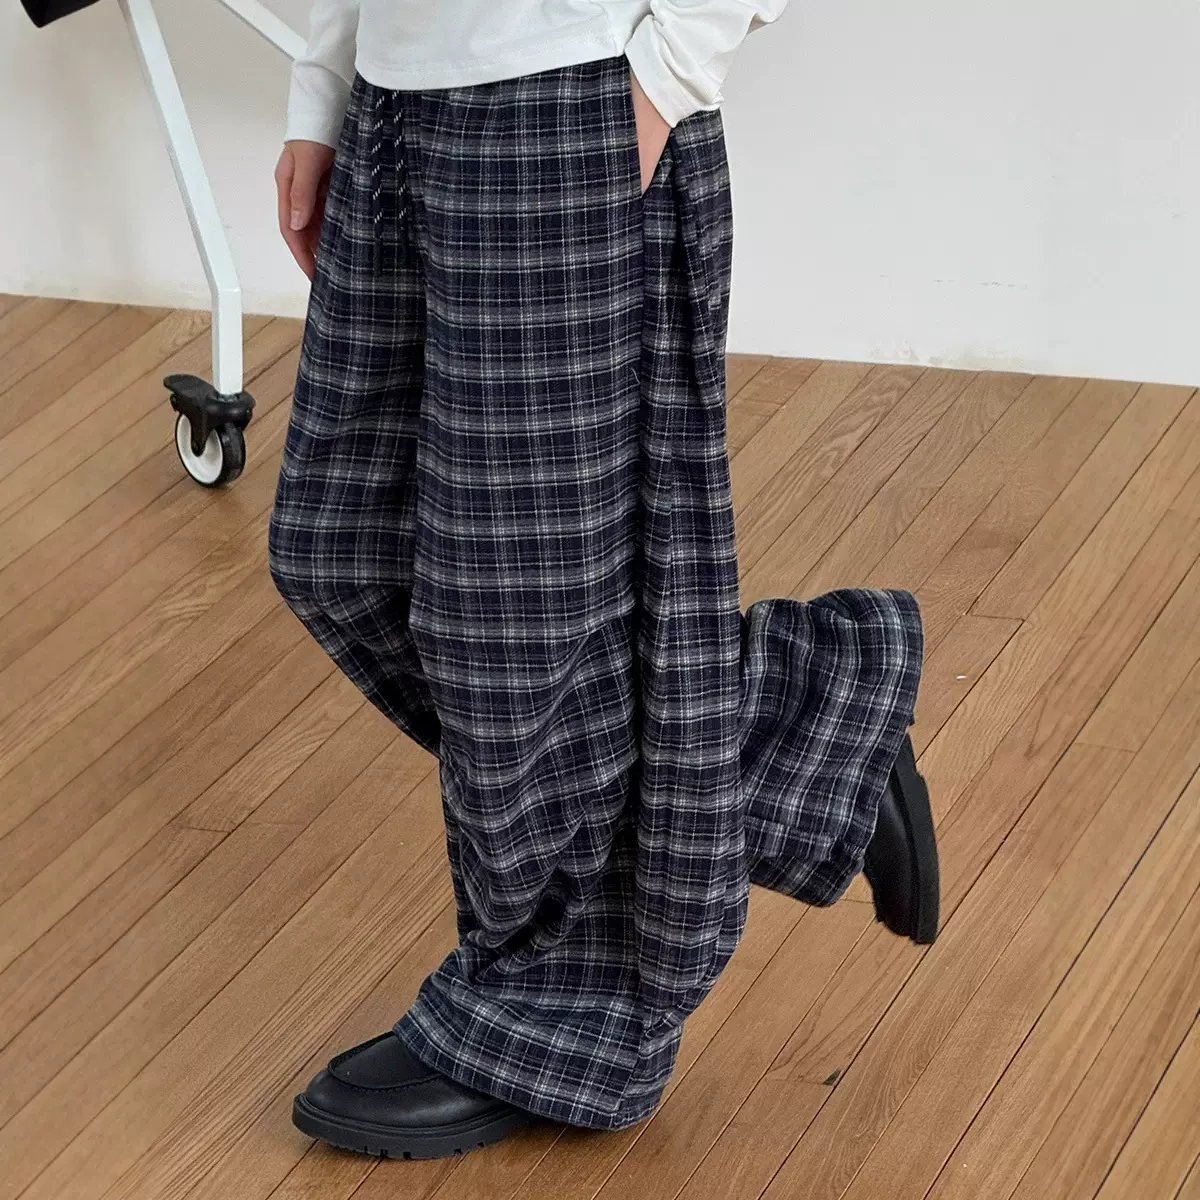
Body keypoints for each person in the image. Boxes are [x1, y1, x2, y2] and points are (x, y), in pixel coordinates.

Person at [268, 0, 939, 1161]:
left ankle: (554, 1011)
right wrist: (325, 84)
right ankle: (792, 716)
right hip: (396, 96)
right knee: (340, 547)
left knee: (518, 623)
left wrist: (668, 72)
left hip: (566, 92)